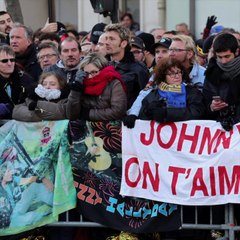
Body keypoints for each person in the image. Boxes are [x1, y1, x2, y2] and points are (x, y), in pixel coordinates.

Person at [137, 57, 205, 123]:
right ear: (163, 77)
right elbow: (142, 117)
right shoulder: (154, 94)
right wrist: (149, 112)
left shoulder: (192, 92)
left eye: (178, 72)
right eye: (171, 74)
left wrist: (167, 113)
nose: (177, 76)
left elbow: (196, 112)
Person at [67, 52, 127, 121]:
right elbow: (71, 115)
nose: (89, 77)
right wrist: (75, 91)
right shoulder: (81, 84)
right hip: (85, 129)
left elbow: (118, 111)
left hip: (110, 128)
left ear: (103, 70)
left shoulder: (114, 83)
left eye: (93, 72)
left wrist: (89, 114)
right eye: (86, 73)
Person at [104, 23, 149, 109]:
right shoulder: (102, 66)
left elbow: (144, 98)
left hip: (127, 118)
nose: (107, 42)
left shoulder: (138, 69)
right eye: (106, 38)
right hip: (105, 117)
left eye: (112, 39)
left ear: (123, 43)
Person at [203, 32, 240, 131]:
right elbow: (204, 103)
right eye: (220, 57)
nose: (223, 61)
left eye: (227, 56)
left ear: (236, 52)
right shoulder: (211, 73)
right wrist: (212, 107)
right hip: (219, 129)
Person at [0, 44, 34, 119]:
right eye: (4, 61)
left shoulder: (25, 78)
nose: (9, 64)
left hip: (22, 121)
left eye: (12, 60)